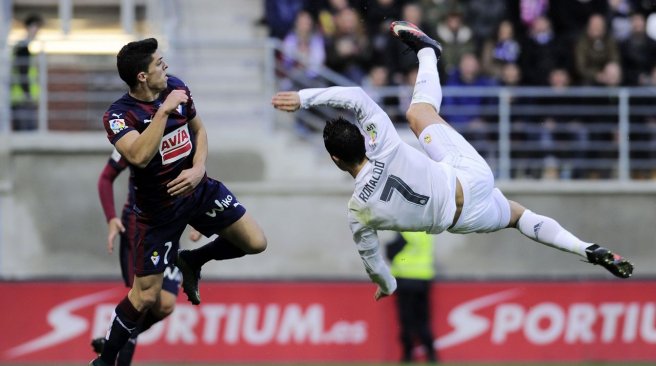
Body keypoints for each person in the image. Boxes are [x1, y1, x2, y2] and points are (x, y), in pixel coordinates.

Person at [271, 21, 633, 301]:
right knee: (418, 112)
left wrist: (388, 284)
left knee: (518, 217)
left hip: (463, 219)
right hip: (467, 178)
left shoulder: (358, 210)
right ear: (363, 140)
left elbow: (373, 262)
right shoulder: (382, 145)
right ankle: (428, 53)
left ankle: (583, 248)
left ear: (335, 159)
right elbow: (355, 96)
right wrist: (303, 98)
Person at [91, 38, 267, 366]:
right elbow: (139, 156)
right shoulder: (118, 115)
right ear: (142, 76)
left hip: (198, 191)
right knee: (145, 297)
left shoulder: (177, 87)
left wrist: (199, 168)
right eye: (159, 63)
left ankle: (193, 260)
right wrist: (164, 111)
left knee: (256, 242)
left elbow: (200, 131)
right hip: (157, 214)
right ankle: (107, 360)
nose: (165, 67)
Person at [91, 149, 202, 365]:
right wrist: (111, 218)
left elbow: (193, 179)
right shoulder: (134, 138)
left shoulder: (182, 134)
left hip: (169, 226)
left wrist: (198, 217)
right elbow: (106, 177)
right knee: (143, 301)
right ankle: (117, 349)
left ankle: (116, 339)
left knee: (166, 304)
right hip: (139, 228)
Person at [385, 232, 437, 363]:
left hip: (405, 279)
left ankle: (408, 355)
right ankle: (431, 355)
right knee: (423, 321)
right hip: (423, 280)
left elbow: (391, 253)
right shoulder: (426, 231)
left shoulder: (405, 231)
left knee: (407, 321)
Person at [10, 13, 43, 130]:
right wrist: (28, 93)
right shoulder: (23, 48)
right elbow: (22, 71)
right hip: (23, 98)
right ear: (31, 27)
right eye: (36, 28)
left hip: (21, 98)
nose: (37, 31)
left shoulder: (22, 47)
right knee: (27, 132)